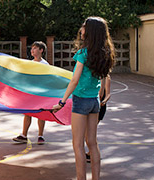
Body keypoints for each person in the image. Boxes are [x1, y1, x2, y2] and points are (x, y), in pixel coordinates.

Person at [52, 17, 115, 180]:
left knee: (78, 145)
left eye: (84, 27)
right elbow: (104, 78)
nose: (81, 30)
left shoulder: (82, 54)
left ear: (90, 32)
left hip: (81, 102)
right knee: (92, 143)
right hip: (94, 102)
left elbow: (74, 80)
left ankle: (81, 178)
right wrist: (103, 92)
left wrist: (62, 101)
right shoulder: (104, 54)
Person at [12, 41, 49, 145]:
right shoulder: (30, 63)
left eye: (35, 48)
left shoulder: (45, 65)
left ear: (41, 50)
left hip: (40, 93)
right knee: (27, 113)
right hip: (30, 93)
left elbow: (47, 79)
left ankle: (40, 135)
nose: (32, 50)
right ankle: (24, 135)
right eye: (32, 48)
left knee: (41, 114)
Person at [86, 75, 111, 162]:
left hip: (99, 106)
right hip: (91, 103)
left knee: (90, 131)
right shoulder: (92, 75)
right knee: (87, 131)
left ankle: (93, 153)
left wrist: (104, 101)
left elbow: (108, 94)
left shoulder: (106, 78)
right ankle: (91, 153)